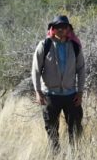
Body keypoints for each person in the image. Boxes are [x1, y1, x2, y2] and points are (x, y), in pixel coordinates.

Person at [31, 15, 85, 151]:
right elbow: (36, 70)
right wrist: (38, 91)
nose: (61, 29)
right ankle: (55, 156)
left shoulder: (75, 46)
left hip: (71, 94)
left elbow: (81, 69)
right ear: (52, 29)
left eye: (64, 27)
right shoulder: (45, 45)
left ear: (68, 29)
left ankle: (75, 153)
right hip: (50, 94)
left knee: (75, 126)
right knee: (51, 127)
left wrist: (80, 92)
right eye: (57, 27)